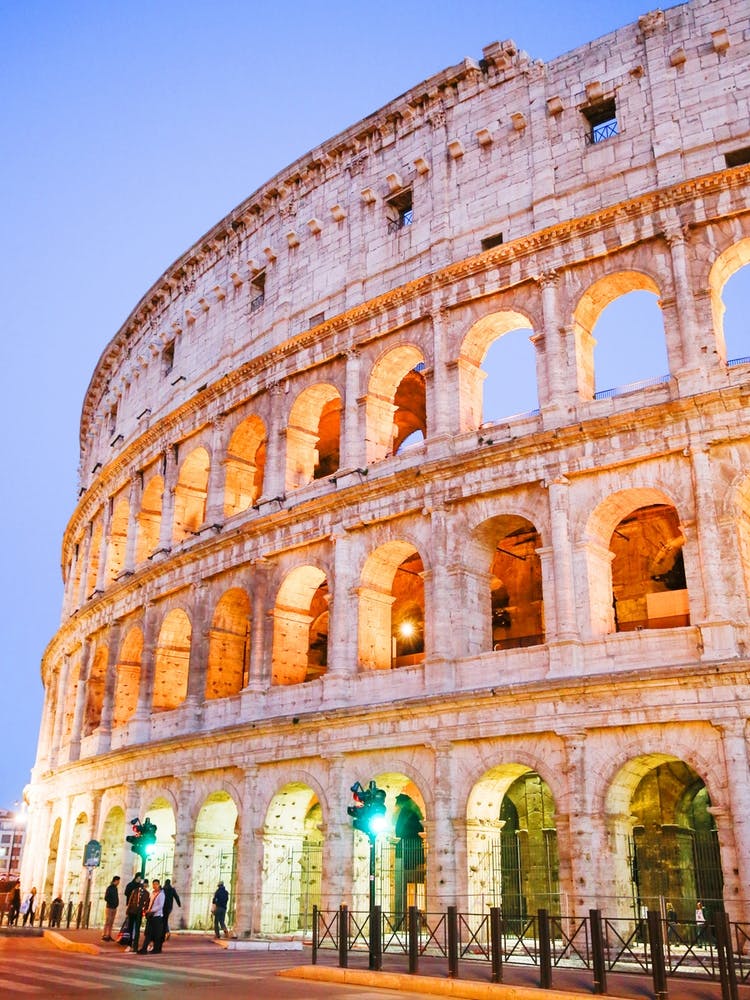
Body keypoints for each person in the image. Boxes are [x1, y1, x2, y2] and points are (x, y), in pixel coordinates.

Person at [138, 879, 165, 954]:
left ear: (159, 884)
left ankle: (156, 949)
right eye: (153, 884)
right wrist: (148, 910)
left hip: (157, 916)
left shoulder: (161, 894)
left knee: (156, 934)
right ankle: (144, 949)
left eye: (156, 884)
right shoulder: (152, 893)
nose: (154, 886)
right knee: (148, 933)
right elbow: (150, 903)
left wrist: (151, 910)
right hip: (151, 916)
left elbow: (160, 906)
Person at [125, 876, 149, 953]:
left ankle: (135, 946)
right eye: (143, 884)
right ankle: (129, 944)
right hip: (132, 911)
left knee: (137, 929)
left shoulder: (147, 893)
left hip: (139, 912)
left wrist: (145, 911)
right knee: (130, 928)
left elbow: (146, 903)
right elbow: (130, 901)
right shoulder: (135, 891)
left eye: (145, 885)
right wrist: (128, 910)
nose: (144, 886)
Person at [102, 875, 120, 941]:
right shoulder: (110, 888)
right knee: (108, 921)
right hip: (109, 907)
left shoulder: (115, 888)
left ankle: (109, 935)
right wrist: (112, 902)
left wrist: (116, 904)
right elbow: (106, 897)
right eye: (118, 881)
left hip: (114, 907)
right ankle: (104, 934)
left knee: (111, 922)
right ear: (115, 881)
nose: (119, 882)